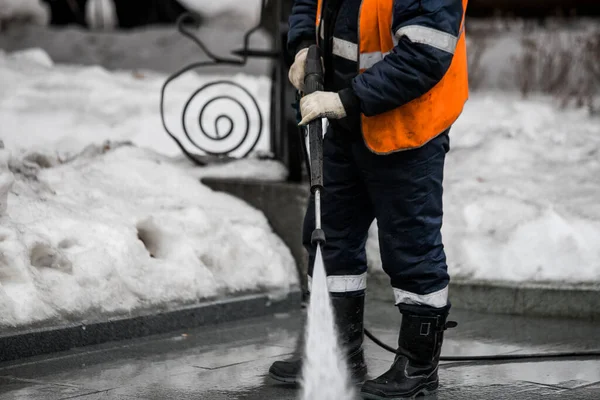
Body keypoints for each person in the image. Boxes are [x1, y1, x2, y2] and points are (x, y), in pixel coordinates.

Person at [269, 0, 469, 398]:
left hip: (407, 131)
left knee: (411, 249)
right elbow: (309, 3)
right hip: (349, 126)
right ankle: (339, 353)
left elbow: (424, 56)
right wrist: (305, 44)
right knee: (331, 234)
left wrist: (345, 99)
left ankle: (418, 365)